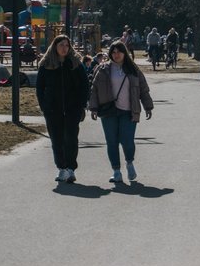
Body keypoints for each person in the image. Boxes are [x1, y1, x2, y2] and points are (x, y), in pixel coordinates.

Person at [89, 41, 153, 183]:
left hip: (128, 111)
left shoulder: (133, 69)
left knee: (127, 141)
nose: (116, 54)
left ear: (125, 53)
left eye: (119, 52)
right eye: (113, 52)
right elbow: (94, 89)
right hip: (108, 111)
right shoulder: (103, 69)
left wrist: (148, 106)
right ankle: (116, 171)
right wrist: (93, 108)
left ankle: (129, 162)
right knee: (111, 142)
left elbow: (143, 89)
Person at [36, 35, 90, 183]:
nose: (64, 48)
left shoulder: (75, 63)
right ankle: (61, 168)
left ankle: (71, 168)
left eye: (67, 45)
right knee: (56, 139)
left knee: (71, 138)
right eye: (61, 45)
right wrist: (44, 106)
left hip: (73, 109)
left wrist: (81, 104)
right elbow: (40, 88)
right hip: (52, 110)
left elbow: (85, 85)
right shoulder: (46, 64)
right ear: (55, 46)